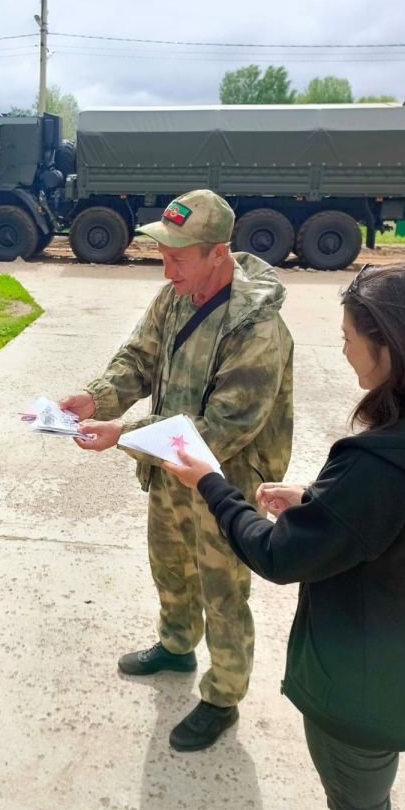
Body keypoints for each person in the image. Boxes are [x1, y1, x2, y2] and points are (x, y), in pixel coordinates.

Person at [164, 262, 405, 810]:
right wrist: (321, 503)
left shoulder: (377, 463)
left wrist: (212, 483)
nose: (342, 352)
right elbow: (401, 523)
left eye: (348, 339)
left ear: (390, 346)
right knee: (368, 796)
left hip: (362, 691)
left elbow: (278, 554)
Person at [60, 189, 294, 750]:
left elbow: (222, 429)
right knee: (170, 566)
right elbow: (138, 358)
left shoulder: (258, 326)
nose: (166, 270)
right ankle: (176, 644)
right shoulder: (175, 298)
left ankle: (223, 697)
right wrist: (96, 399)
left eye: (178, 257)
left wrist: (125, 436)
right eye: (163, 255)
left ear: (218, 253)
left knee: (224, 591)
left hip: (226, 485)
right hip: (169, 469)